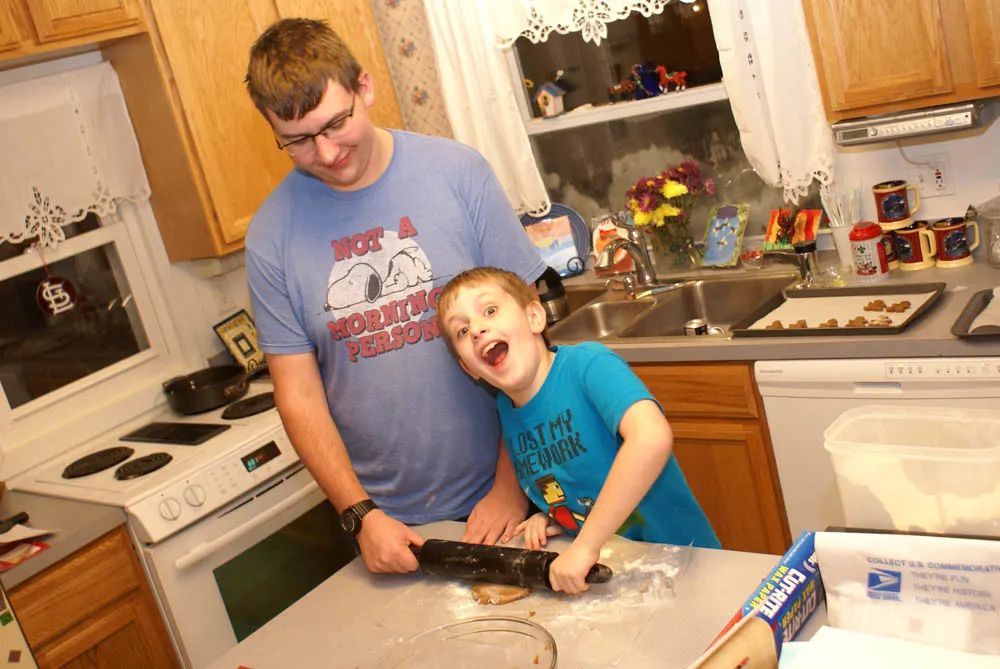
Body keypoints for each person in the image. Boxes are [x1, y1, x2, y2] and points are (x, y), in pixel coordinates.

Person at [242, 19, 546, 575]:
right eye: (299, 140)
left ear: (365, 88)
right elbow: (299, 397)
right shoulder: (270, 236)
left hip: (511, 498)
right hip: (386, 528)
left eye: (336, 123)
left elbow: (531, 347)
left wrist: (512, 485)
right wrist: (360, 515)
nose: (328, 152)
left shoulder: (459, 174)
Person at [437, 267, 720, 594]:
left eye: (489, 310)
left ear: (534, 317)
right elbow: (574, 482)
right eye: (462, 330)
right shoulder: (507, 409)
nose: (476, 329)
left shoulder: (588, 366)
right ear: (467, 367)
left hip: (684, 569)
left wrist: (585, 545)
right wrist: (560, 516)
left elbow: (651, 438)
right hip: (619, 581)